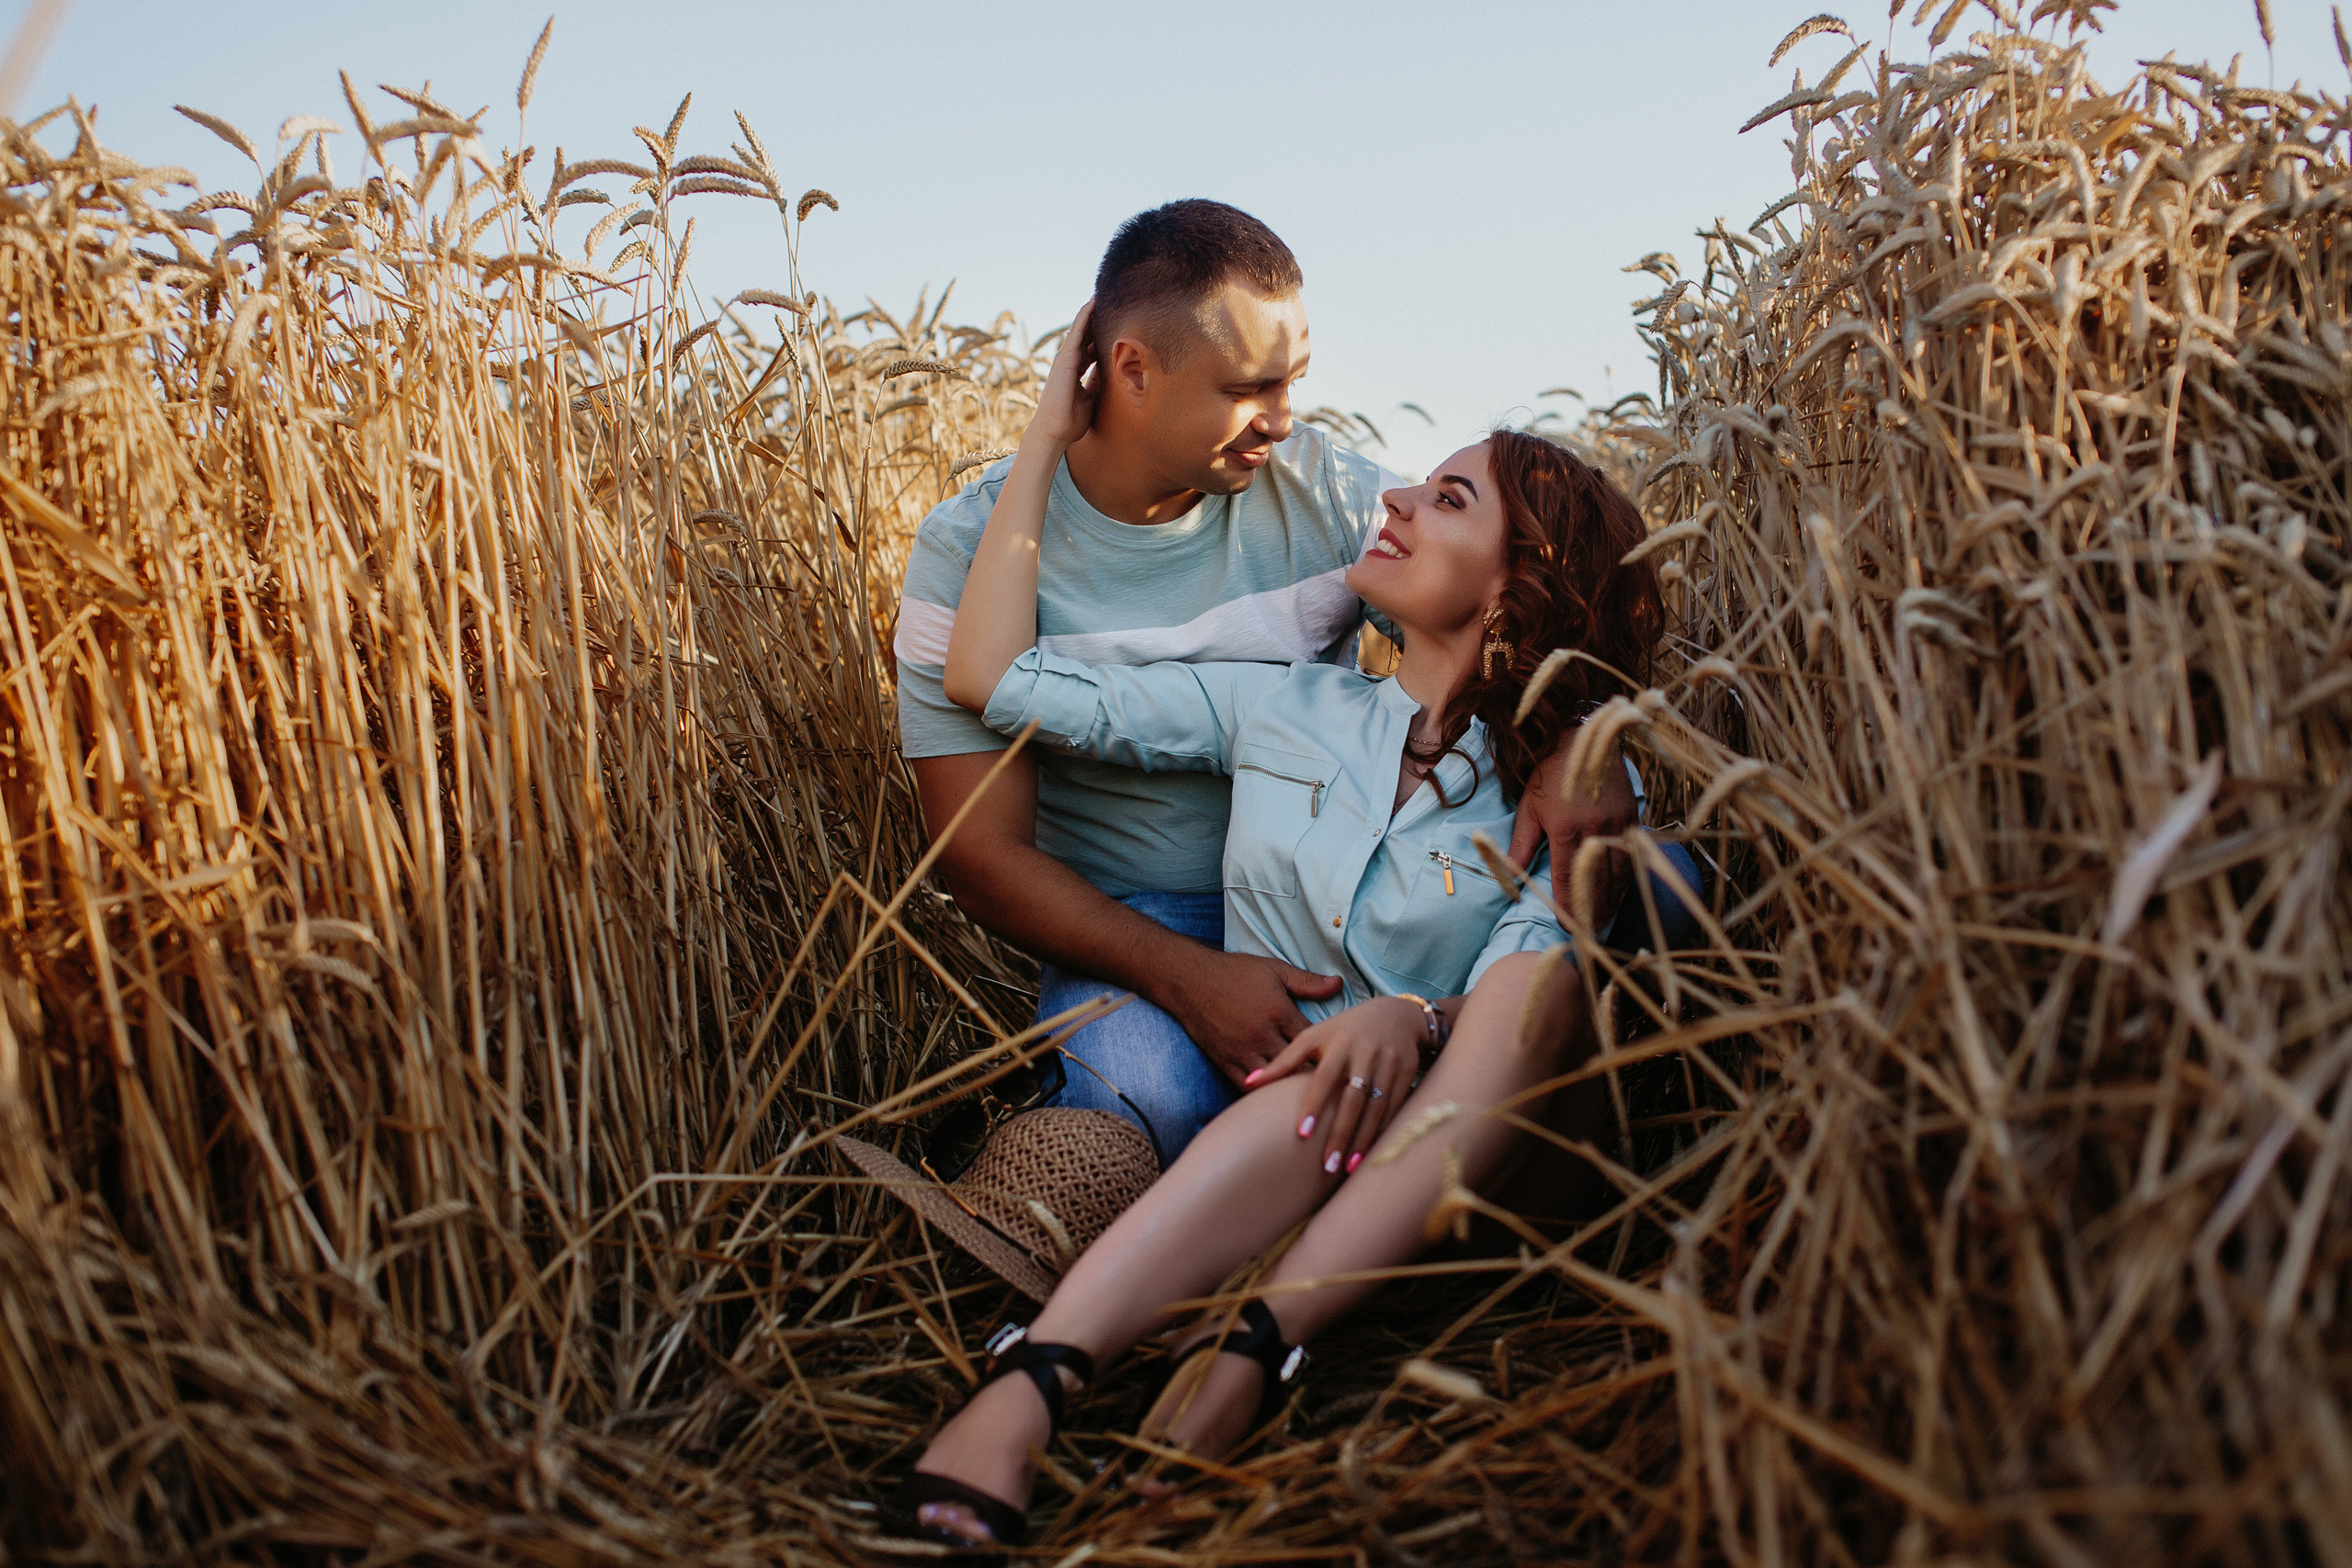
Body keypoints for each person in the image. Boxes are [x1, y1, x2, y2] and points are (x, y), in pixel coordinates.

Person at [876, 305, 1668, 1549]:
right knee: (1322, 1067)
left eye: (1450, 500)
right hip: (1302, 1118)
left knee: (1500, 991)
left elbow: (1536, 1003)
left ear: (1519, 583)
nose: (1397, 499)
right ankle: (1033, 1383)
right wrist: (1043, 432)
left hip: (1486, 1164)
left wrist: (1413, 1018)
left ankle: (1255, 1338)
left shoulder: (1562, 795)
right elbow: (993, 679)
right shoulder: (1280, 706)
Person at [895, 199, 1641, 1164]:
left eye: (1292, 381)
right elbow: (979, 857)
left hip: (1335, 883)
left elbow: (1503, 600)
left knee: (1640, 885)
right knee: (1150, 1105)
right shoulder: (968, 554)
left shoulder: (1327, 492)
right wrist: (1189, 977)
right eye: (1250, 388)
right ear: (1130, 369)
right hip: (1135, 915)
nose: (1282, 422)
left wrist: (1578, 730)